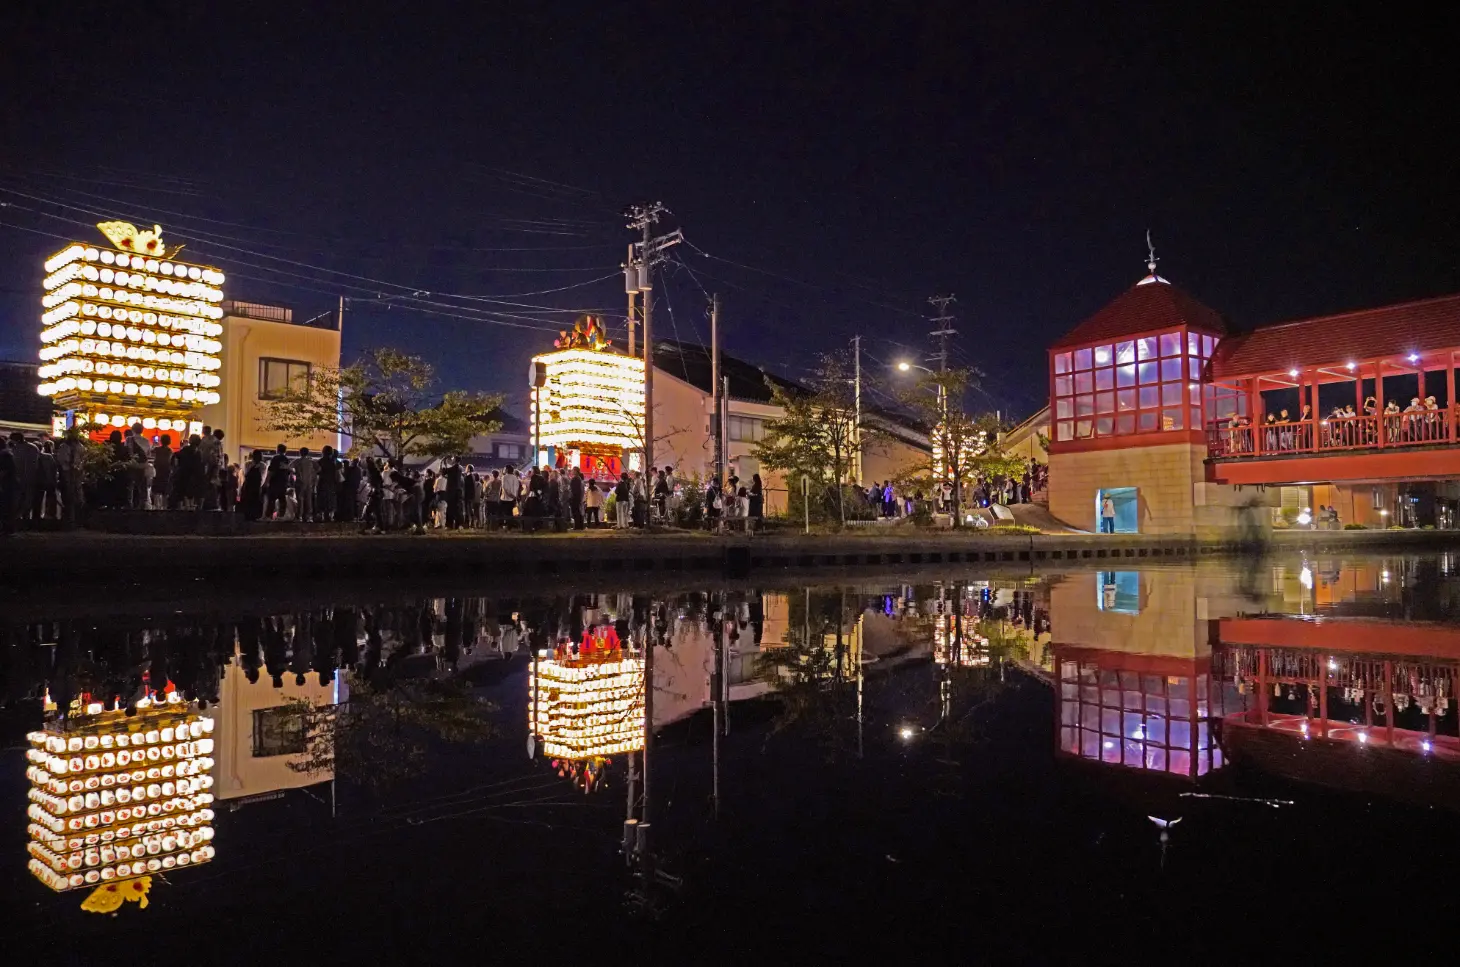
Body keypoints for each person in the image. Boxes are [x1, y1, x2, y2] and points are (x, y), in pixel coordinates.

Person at [9, 432, 39, 519]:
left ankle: (18, 518)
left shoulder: (16, 449)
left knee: (18, 499)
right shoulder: (33, 447)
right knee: (28, 499)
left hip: (19, 478)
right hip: (31, 477)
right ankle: (26, 518)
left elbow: (16, 464)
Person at [266, 444, 291, 519]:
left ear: (277, 449)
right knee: (282, 499)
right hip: (283, 482)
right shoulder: (287, 459)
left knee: (271, 499)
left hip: (275, 481)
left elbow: (271, 470)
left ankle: (269, 515)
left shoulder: (275, 458)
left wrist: (267, 481)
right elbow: (288, 472)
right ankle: (281, 515)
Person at [34, 440, 58, 520]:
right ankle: (50, 515)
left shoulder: (33, 457)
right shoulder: (48, 457)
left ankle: (36, 517)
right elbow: (54, 469)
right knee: (50, 498)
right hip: (49, 481)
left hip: (38, 481)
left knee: (37, 500)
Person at [293, 447, 317, 522]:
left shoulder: (297, 461)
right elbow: (319, 469)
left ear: (300, 453)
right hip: (309, 483)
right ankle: (307, 517)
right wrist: (312, 474)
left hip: (299, 483)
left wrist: (295, 472)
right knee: (308, 500)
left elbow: (289, 467)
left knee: (300, 500)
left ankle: (299, 516)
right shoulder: (311, 461)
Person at [317, 445, 340, 522]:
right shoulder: (334, 463)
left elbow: (317, 472)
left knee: (322, 500)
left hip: (322, 483)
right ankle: (329, 516)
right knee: (330, 500)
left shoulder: (320, 461)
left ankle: (322, 516)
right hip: (331, 484)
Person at [241, 450, 266, 521]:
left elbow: (263, 476)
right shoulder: (247, 464)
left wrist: (260, 487)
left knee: (256, 502)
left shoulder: (263, 465)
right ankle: (246, 516)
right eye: (258, 456)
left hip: (257, 486)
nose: (259, 458)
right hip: (248, 485)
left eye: (260, 456)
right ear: (254, 456)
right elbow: (246, 473)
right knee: (247, 501)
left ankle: (255, 516)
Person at [152, 435, 174, 510]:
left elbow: (151, 454)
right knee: (165, 491)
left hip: (157, 471)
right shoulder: (170, 450)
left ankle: (156, 506)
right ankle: (164, 507)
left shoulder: (156, 449)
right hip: (166, 471)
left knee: (156, 490)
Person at [499, 464, 521, 530]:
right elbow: (517, 488)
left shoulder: (504, 477)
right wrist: (515, 497)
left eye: (505, 469)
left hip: (505, 498)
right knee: (512, 513)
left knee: (502, 513)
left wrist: (511, 495)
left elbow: (505, 488)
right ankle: (510, 527)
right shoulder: (515, 478)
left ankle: (502, 526)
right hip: (513, 499)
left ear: (507, 470)